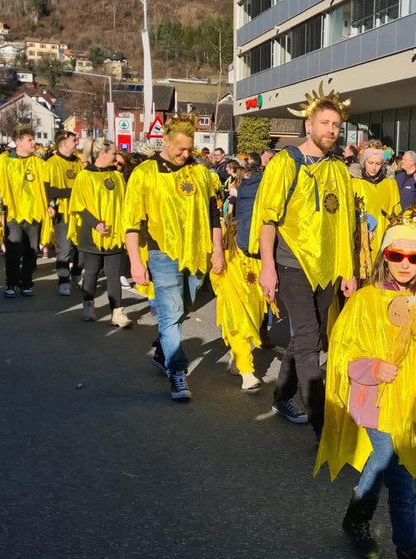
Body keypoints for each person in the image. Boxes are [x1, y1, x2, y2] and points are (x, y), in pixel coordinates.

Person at [315, 207, 416, 559]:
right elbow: (343, 351)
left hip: (409, 404)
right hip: (372, 402)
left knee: (380, 462)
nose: (404, 264)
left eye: (414, 257)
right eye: (396, 254)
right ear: (384, 256)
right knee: (402, 484)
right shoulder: (365, 300)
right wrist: (371, 369)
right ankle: (411, 555)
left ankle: (356, 517)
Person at [251, 84, 357, 438]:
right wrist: (268, 267)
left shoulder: (338, 169)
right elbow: (268, 219)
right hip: (292, 264)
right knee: (310, 341)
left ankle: (282, 396)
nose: (331, 130)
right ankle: (322, 426)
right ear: (308, 125)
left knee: (305, 339)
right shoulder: (286, 163)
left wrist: (348, 270)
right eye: (325, 123)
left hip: (327, 270)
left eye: (336, 125)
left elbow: (345, 225)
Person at [123, 114, 225, 401]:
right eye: (180, 148)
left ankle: (161, 351)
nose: (185, 154)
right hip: (162, 252)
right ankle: (177, 371)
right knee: (171, 311)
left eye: (189, 149)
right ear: (165, 141)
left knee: (183, 309)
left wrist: (217, 250)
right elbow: (131, 222)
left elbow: (213, 215)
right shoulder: (145, 173)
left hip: (196, 252)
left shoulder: (200, 174)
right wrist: (135, 261)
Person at [210, 162, 269, 393]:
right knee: (238, 315)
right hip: (235, 258)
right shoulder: (252, 192)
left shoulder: (259, 193)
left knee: (253, 314)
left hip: (255, 260)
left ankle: (238, 357)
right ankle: (247, 371)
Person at [68, 139, 131, 328]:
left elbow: (124, 204)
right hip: (90, 233)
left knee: (113, 273)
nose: (116, 156)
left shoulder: (117, 177)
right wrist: (95, 224)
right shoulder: (84, 176)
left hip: (114, 234)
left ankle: (117, 312)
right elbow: (79, 205)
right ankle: (88, 305)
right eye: (113, 153)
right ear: (103, 154)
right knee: (92, 271)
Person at [0, 126, 52, 298]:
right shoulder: (4, 161)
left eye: (34, 139)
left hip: (34, 213)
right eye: (30, 140)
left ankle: (26, 283)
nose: (34, 142)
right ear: (18, 142)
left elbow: (48, 187)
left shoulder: (39, 163)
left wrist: (51, 204)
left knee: (32, 250)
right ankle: (11, 283)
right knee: (13, 249)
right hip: (13, 214)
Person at [45, 131, 83, 296]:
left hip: (79, 212)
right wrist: (53, 204)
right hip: (62, 211)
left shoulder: (78, 162)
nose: (76, 143)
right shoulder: (51, 163)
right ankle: (63, 280)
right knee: (64, 248)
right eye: (74, 140)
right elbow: (49, 190)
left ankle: (76, 272)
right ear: (65, 143)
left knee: (82, 248)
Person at [353, 146, 401, 257]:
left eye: (378, 164)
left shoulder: (390, 184)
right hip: (363, 234)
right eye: (370, 163)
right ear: (364, 163)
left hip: (384, 233)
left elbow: (396, 211)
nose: (374, 167)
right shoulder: (355, 183)